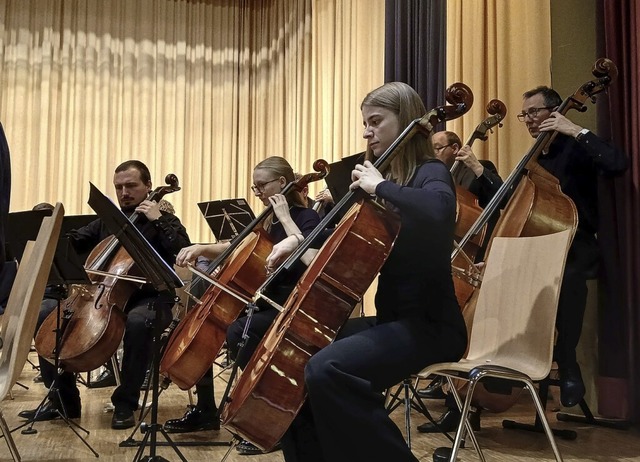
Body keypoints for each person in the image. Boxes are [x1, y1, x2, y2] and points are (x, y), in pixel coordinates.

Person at [280, 81, 467, 462]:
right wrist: (298, 242)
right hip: (391, 322)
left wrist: (380, 185)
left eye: (376, 121)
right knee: (298, 359)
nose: (366, 131)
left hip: (432, 327)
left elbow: (440, 210)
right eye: (365, 123)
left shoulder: (430, 172)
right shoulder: (390, 186)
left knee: (329, 369)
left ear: (407, 121)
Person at [163, 156, 320, 456]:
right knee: (214, 330)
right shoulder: (266, 219)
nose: (257, 192)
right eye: (255, 186)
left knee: (240, 332)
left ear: (282, 184)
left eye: (261, 185)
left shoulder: (306, 217)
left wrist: (286, 218)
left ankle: (272, 420)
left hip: (291, 302)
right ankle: (209, 409)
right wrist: (201, 248)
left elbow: (309, 259)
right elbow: (237, 243)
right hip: (264, 299)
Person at [18, 160, 191, 430]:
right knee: (44, 313)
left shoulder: (165, 221)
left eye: (131, 186)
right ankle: (63, 400)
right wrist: (51, 233)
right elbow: (74, 242)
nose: (124, 192)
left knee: (138, 322)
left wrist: (158, 220)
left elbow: (182, 250)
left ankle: (125, 403)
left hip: (149, 297)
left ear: (148, 186)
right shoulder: (107, 222)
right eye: (119, 187)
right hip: (101, 298)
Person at [513, 86, 627, 408]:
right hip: (540, 243)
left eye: (534, 112)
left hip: (577, 240)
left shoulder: (575, 146)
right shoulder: (537, 158)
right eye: (525, 115)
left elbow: (617, 162)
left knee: (569, 274)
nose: (528, 120)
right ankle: (506, 364)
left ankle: (567, 361)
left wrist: (574, 129)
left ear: (555, 111)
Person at [416, 130, 504, 433]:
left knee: (464, 328)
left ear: (456, 148)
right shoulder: (437, 180)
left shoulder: (479, 171)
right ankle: (443, 381)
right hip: (451, 260)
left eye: (440, 148)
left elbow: (503, 201)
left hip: (477, 260)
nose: (435, 153)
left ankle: (461, 409)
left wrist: (478, 167)